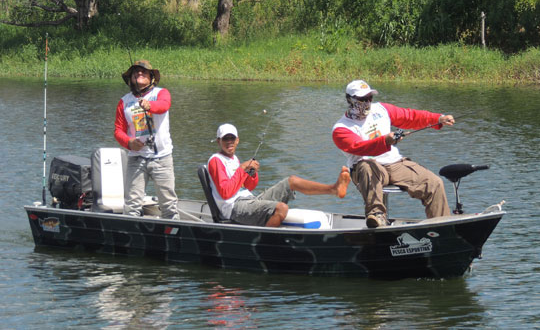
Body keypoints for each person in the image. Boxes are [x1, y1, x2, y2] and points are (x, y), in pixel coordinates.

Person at [332, 80, 455, 228]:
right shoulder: (341, 129)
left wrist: (438, 119)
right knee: (367, 165)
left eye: (370, 98)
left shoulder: (382, 109)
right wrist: (385, 141)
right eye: (362, 99)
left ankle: (442, 228)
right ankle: (377, 216)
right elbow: (359, 147)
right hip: (365, 169)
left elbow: (410, 116)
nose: (367, 102)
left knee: (434, 183)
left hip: (394, 163)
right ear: (350, 100)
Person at [207, 123, 351, 227]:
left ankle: (334, 189)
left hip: (249, 200)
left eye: (232, 138)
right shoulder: (216, 160)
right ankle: (264, 241)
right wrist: (242, 168)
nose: (229, 142)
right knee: (281, 208)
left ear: (237, 140)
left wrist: (252, 173)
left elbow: (249, 186)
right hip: (234, 208)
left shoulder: (233, 159)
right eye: (225, 139)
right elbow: (225, 193)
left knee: (292, 181)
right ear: (219, 141)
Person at [114, 59, 179, 220]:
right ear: (131, 79)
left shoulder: (161, 93)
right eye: (136, 72)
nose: (140, 73)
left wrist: (150, 105)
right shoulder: (124, 102)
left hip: (162, 157)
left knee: (168, 204)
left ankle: (174, 233)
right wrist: (129, 142)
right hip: (137, 159)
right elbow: (118, 130)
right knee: (132, 204)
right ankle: (131, 236)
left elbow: (164, 105)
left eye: (144, 72)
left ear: (151, 78)